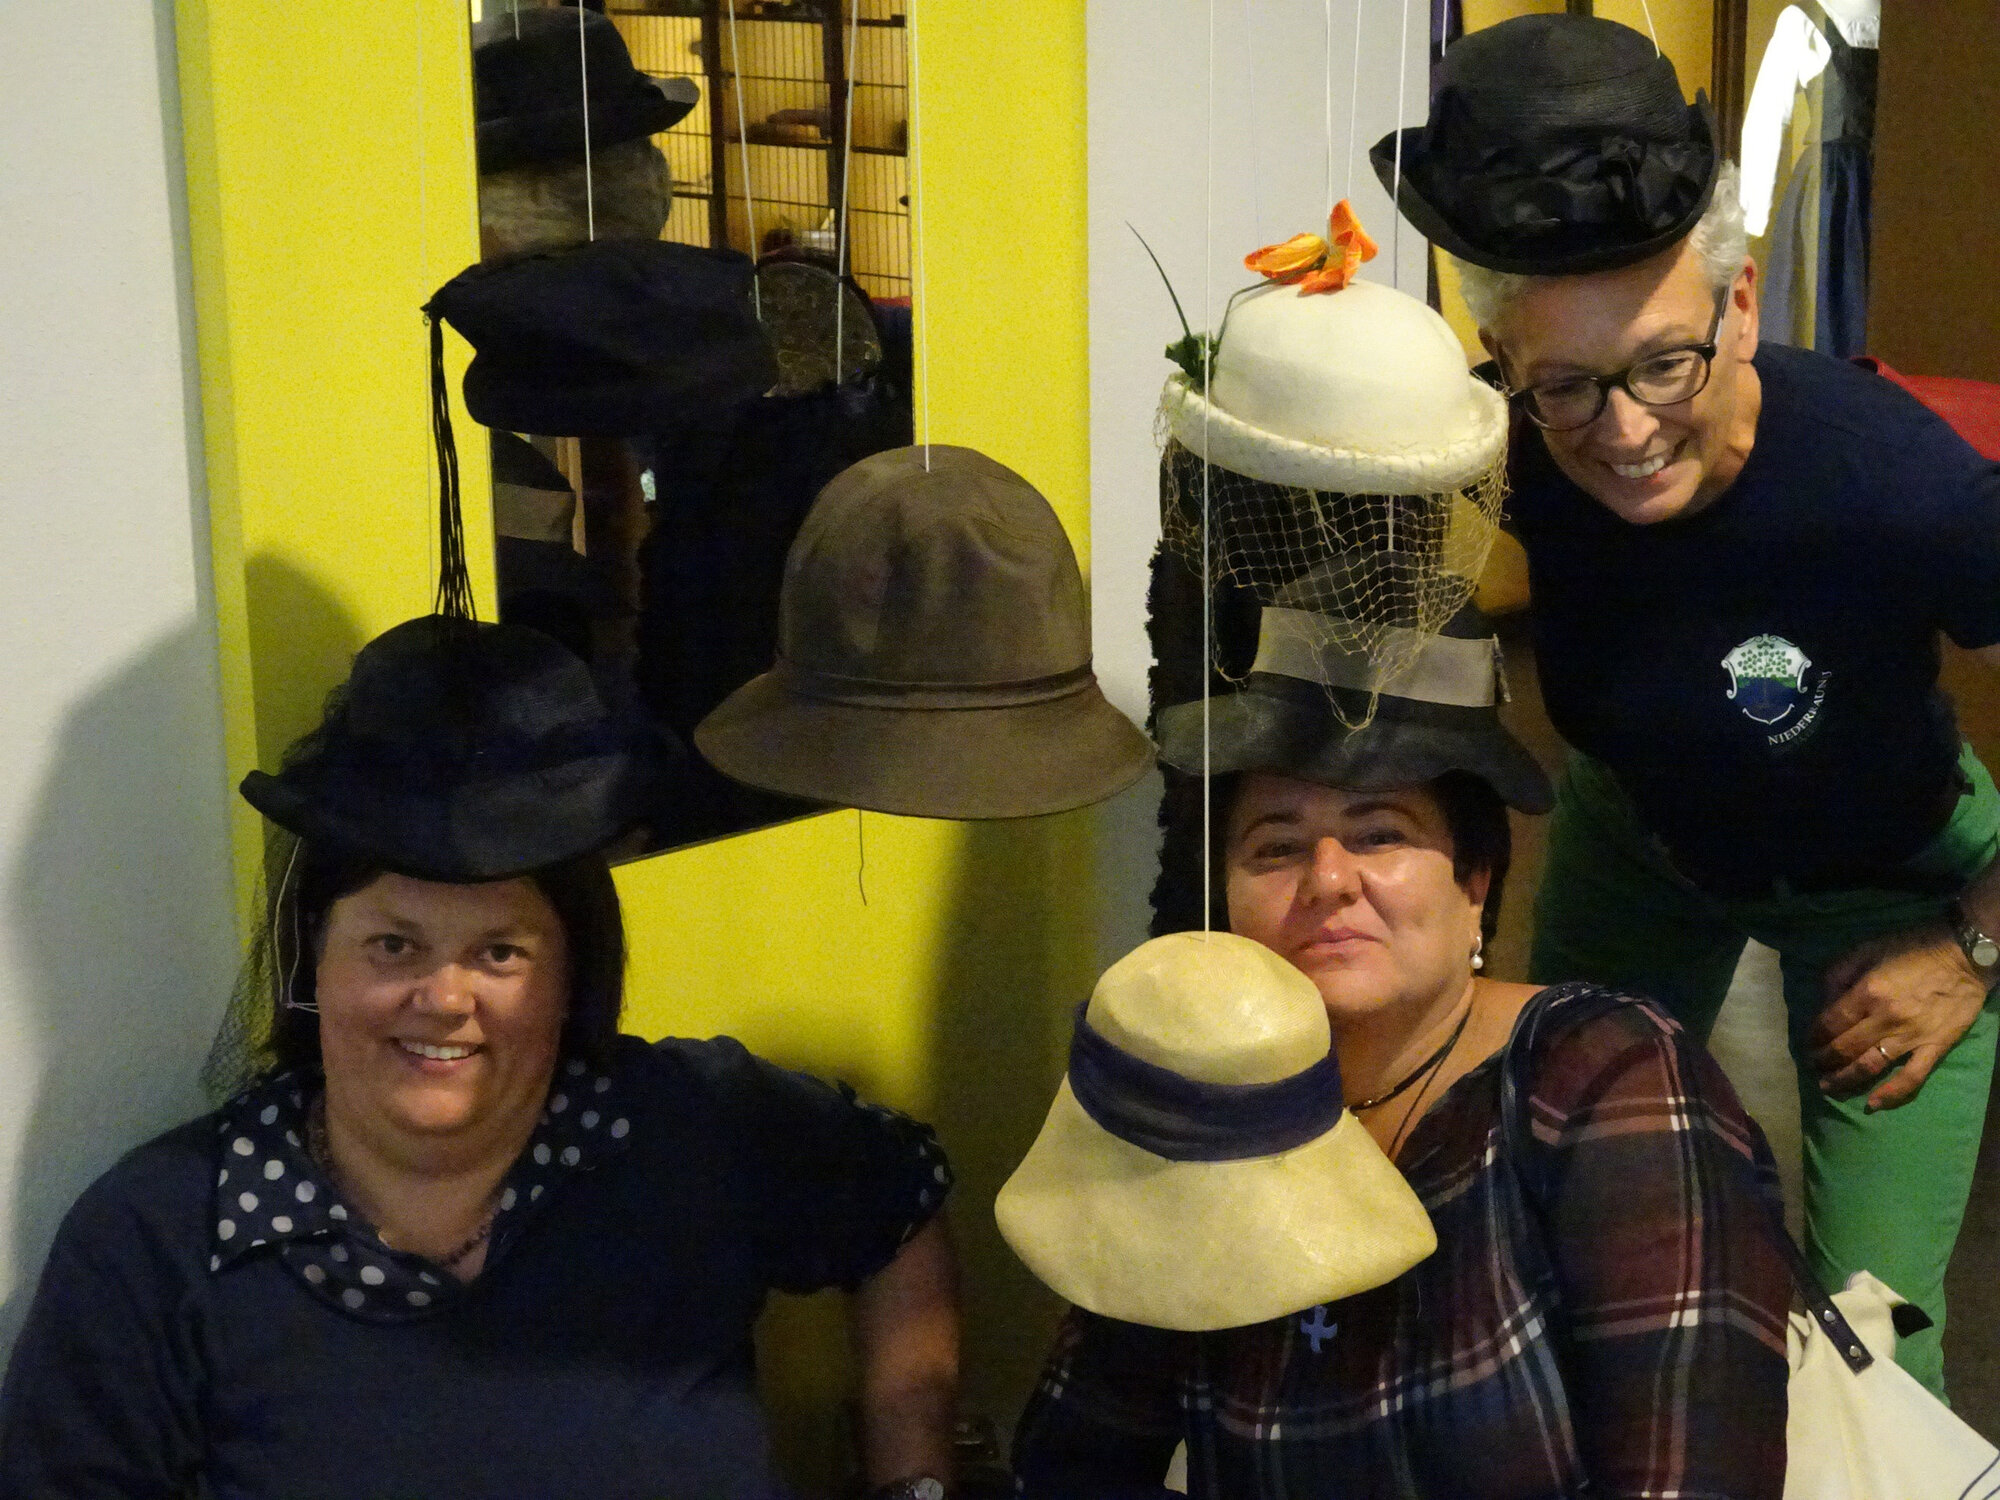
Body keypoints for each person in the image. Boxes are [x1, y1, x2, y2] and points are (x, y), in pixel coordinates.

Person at [1372, 13, 2000, 1394]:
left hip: (1890, 878)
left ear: (1742, 305)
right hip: (1639, 839)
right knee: (1545, 1214)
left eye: (1666, 361)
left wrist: (1971, 946)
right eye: (1565, 386)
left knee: (1873, 1352)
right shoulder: (1510, 436)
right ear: (1503, 358)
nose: (1625, 432)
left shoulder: (1891, 484)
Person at [0, 615, 958, 1500]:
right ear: (311, 958)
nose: (444, 999)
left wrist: (913, 1478)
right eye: (393, 945)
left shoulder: (691, 1127)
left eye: (500, 952)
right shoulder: (159, 1238)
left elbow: (900, 1194)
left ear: (571, 973)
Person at [1011, 598, 1793, 1497]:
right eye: (1276, 847)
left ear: (1476, 880)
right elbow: (1071, 1462)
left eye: (1381, 833)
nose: (1328, 879)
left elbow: (1692, 1476)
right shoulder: (1205, 1095)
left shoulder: (1600, 1075)